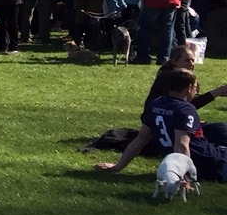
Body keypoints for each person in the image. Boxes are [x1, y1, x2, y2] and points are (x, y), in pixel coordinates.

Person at [96, 67, 227, 182]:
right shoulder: (185, 109)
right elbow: (181, 145)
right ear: (189, 88)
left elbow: (140, 139)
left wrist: (118, 166)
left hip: (184, 161)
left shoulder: (156, 104)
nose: (196, 92)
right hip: (210, 165)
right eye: (196, 89)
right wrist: (183, 177)